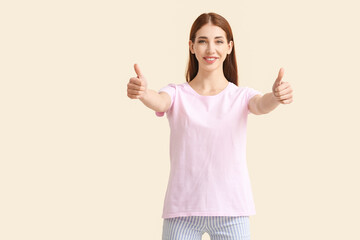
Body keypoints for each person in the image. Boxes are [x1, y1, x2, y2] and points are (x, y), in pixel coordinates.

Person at [127, 12, 293, 240]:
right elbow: (159, 100)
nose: (210, 49)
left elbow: (261, 104)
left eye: (218, 41)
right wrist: (143, 92)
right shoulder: (176, 94)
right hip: (181, 213)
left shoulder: (240, 96)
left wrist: (275, 96)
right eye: (202, 41)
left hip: (232, 211)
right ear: (192, 46)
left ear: (229, 47)